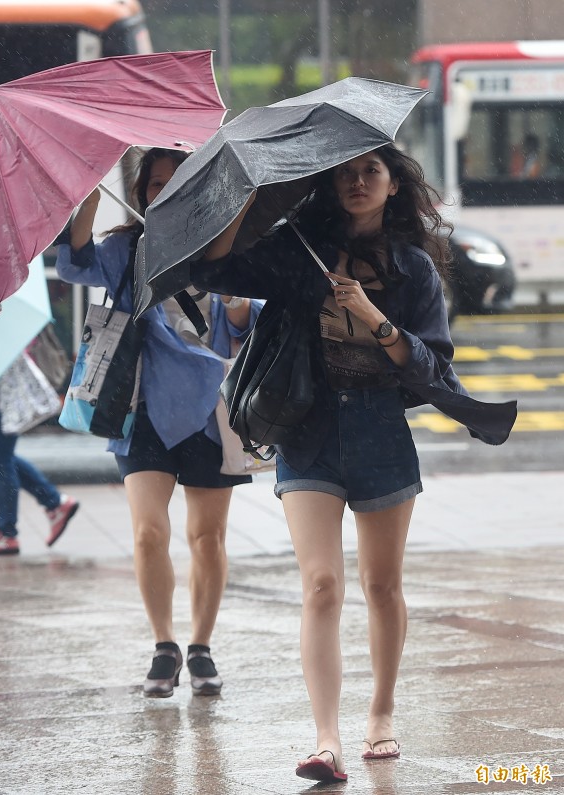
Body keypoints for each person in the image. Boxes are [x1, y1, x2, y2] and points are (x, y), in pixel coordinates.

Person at [190, 144, 516, 781]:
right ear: (330, 186)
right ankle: (326, 739)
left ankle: (382, 715)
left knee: (381, 586)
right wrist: (241, 201)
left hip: (379, 432)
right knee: (320, 586)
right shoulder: (296, 256)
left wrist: (376, 321)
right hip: (307, 432)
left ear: (395, 185)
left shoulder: (413, 270)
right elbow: (217, 272)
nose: (359, 182)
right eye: (346, 173)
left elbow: (432, 369)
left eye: (372, 171)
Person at [55, 148, 262, 699]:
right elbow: (74, 262)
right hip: (141, 406)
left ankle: (201, 646)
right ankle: (164, 646)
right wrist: (87, 200)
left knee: (207, 536)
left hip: (213, 410)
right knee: (148, 533)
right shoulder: (127, 247)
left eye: (174, 182)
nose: (160, 192)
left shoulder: (224, 244)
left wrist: (238, 306)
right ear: (141, 189)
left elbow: (248, 322)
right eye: (152, 184)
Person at [0, 384, 80, 557]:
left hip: (3, 395)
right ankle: (55, 503)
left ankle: (6, 533)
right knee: (0, 456)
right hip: (4, 394)